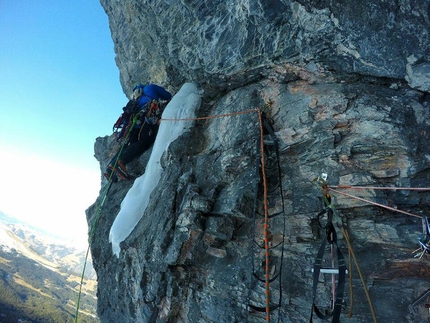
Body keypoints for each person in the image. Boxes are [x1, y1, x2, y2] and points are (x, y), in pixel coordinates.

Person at [104, 83, 172, 181]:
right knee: (145, 142)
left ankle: (110, 169)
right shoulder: (150, 88)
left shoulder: (136, 98)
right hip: (145, 120)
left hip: (133, 125)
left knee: (127, 145)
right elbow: (168, 96)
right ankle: (121, 162)